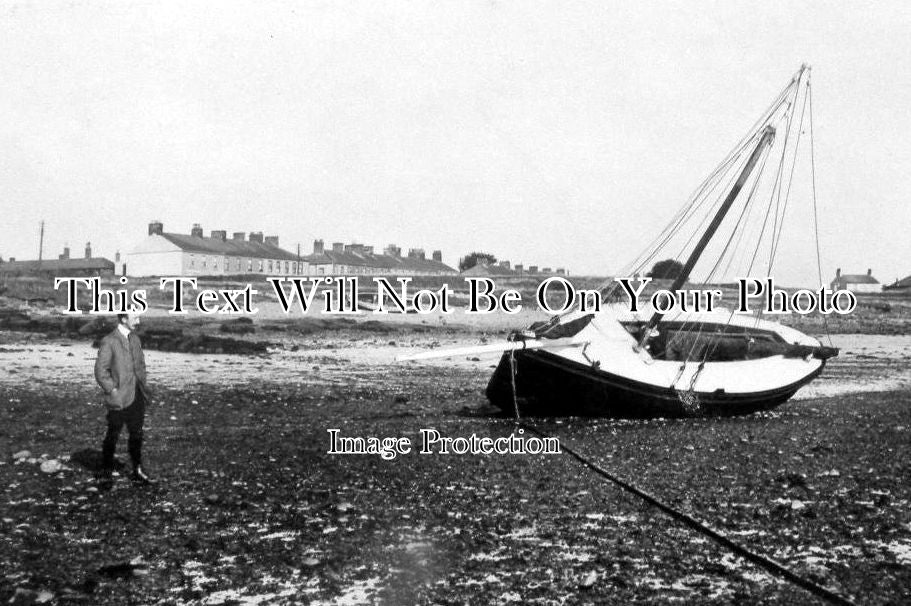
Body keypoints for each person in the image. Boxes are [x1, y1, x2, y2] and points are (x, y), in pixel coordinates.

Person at [94, 313, 155, 486]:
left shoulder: (135, 339)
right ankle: (106, 469)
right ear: (123, 319)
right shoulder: (109, 341)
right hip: (119, 397)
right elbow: (100, 370)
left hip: (138, 394)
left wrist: (143, 385)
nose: (139, 321)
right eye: (135, 318)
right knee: (113, 433)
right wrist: (112, 390)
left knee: (137, 434)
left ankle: (137, 470)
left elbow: (140, 366)